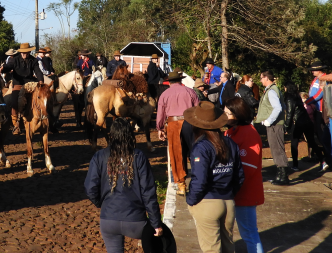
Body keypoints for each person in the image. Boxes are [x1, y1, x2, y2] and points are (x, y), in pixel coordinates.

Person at [85, 118, 164, 253]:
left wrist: (102, 203)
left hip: (109, 219)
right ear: (130, 135)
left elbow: (90, 188)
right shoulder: (138, 157)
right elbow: (148, 192)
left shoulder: (99, 156)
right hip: (136, 221)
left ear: (111, 135)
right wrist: (156, 223)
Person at [183, 101, 244, 253]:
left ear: (196, 125)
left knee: (212, 249)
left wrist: (191, 201)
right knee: (228, 246)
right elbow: (239, 176)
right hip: (228, 202)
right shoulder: (230, 143)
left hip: (208, 203)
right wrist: (229, 193)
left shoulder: (201, 147)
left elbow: (200, 180)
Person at [223, 98, 264, 253]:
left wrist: (230, 186)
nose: (224, 116)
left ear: (237, 115)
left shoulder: (249, 134)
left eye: (227, 113)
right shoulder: (231, 131)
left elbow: (248, 168)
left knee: (249, 234)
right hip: (235, 192)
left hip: (244, 193)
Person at [156, 70, 199, 195]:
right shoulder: (190, 91)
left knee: (176, 153)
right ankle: (198, 180)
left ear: (169, 82)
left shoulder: (165, 94)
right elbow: (198, 109)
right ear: (181, 80)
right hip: (190, 123)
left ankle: (181, 185)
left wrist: (160, 128)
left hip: (173, 124)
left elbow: (160, 114)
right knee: (194, 152)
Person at [0, 42, 44, 134]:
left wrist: (41, 81)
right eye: (23, 52)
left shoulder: (34, 60)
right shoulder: (14, 60)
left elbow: (38, 71)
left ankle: (44, 120)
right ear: (20, 52)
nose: (24, 54)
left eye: (26, 52)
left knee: (41, 98)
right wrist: (3, 68)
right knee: (14, 102)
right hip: (18, 84)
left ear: (29, 52)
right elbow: (9, 66)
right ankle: (16, 124)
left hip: (30, 84)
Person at [254, 70, 288, 186]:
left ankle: (284, 177)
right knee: (275, 149)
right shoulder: (273, 90)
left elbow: (278, 108)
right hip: (274, 125)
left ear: (267, 78)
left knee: (277, 149)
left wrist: (269, 120)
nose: (260, 80)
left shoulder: (271, 91)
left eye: (261, 78)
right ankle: (280, 175)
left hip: (275, 125)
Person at [284, 83, 322, 170]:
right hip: (306, 121)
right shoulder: (297, 97)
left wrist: (286, 126)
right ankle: (323, 160)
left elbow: (290, 113)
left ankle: (295, 165)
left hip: (297, 122)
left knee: (294, 143)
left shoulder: (289, 98)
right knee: (311, 142)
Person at [308, 59, 332, 172]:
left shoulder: (323, 79)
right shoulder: (316, 79)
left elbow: (320, 94)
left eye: (314, 70)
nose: (312, 72)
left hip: (322, 111)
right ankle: (324, 159)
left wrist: (308, 101)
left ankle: (329, 160)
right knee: (318, 135)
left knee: (323, 136)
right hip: (316, 110)